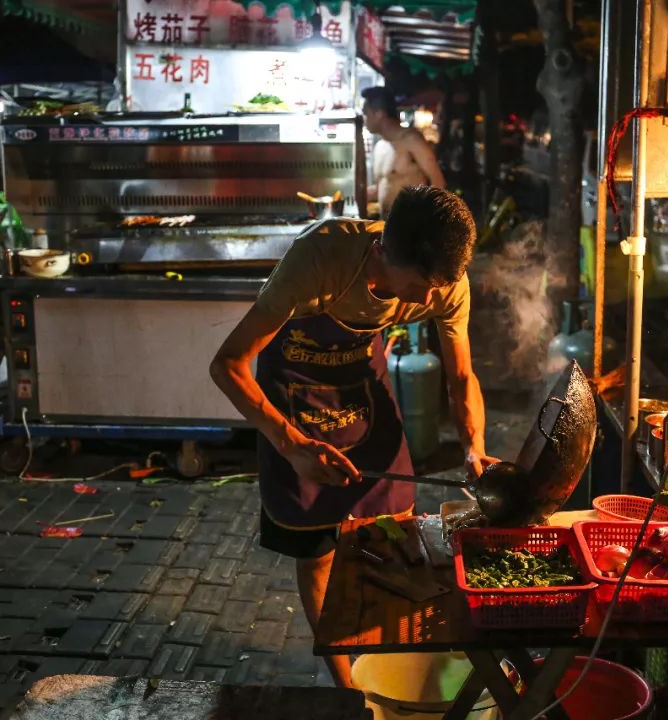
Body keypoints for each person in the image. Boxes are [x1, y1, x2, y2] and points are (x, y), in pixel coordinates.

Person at [210, 186, 498, 687]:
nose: (429, 302)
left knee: (393, 538)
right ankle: (345, 688)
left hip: (363, 390)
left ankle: (389, 664)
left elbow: (462, 378)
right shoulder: (320, 258)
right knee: (317, 550)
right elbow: (228, 364)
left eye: (438, 287)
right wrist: (291, 444)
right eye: (420, 286)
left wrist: (475, 446)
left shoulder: (446, 283)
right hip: (296, 395)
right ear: (383, 251)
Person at [361, 87, 446, 218]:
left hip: (410, 227)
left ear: (379, 113)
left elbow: (438, 182)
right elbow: (384, 186)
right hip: (385, 225)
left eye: (366, 113)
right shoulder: (379, 147)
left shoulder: (411, 140)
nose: (364, 119)